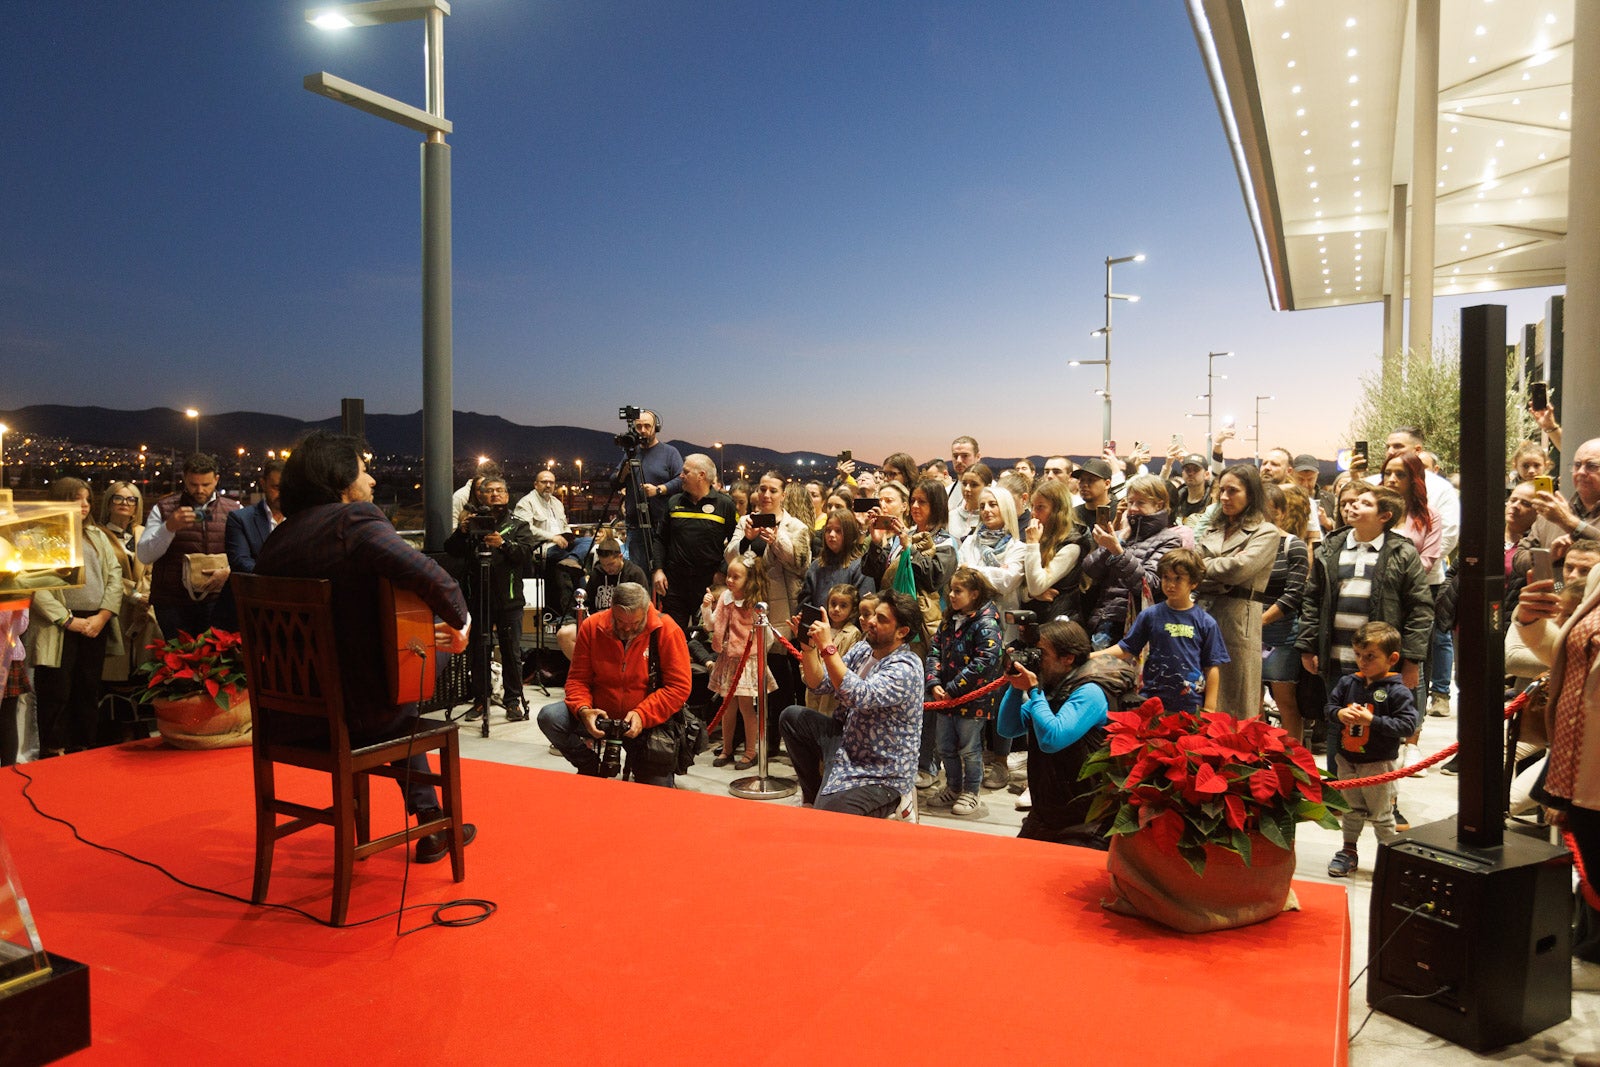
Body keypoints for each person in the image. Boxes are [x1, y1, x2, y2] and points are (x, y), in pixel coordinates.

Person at [254, 430, 474, 864]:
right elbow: (429, 574)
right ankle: (430, 818)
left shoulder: (276, 541)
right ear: (340, 479)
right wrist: (461, 622)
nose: (372, 480)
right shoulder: (352, 520)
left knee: (407, 665)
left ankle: (430, 812)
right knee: (428, 649)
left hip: (290, 719)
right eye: (365, 470)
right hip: (361, 715)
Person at [780, 588, 925, 817]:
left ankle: (897, 803)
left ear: (902, 632)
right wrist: (808, 649)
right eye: (874, 614)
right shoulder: (864, 648)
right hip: (847, 740)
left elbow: (858, 696)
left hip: (881, 768)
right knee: (792, 717)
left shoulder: (905, 667)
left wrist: (827, 648)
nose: (871, 622)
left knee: (830, 817)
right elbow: (819, 684)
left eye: (881, 619)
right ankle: (814, 794)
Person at [996, 618, 1135, 847]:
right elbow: (1008, 728)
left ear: (1068, 658)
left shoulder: (1090, 690)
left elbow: (1053, 739)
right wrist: (1014, 686)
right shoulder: (1053, 686)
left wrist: (1033, 690)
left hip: (1086, 822)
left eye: (1041, 654)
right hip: (1047, 815)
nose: (1036, 661)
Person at [537, 581, 692, 788]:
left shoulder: (667, 630)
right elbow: (577, 680)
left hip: (647, 721)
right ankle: (589, 766)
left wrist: (642, 715)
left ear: (647, 610)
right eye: (620, 622)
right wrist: (583, 710)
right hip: (601, 715)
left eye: (635, 623)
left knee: (656, 795)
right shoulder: (593, 626)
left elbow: (678, 687)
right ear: (611, 609)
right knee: (550, 717)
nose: (627, 628)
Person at [1297, 485, 1433, 718]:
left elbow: (1421, 609)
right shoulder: (1331, 547)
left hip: (1380, 664)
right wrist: (1308, 646)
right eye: (1354, 501)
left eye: (1365, 503)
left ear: (1384, 517)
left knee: (1377, 727)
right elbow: (1311, 600)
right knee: (1337, 725)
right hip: (1336, 658)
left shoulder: (1401, 552)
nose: (1353, 505)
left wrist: (1412, 660)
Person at [28, 478, 123, 756]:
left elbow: (114, 577)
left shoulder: (97, 535)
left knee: (87, 687)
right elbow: (34, 584)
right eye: (76, 499)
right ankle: (53, 749)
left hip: (95, 622)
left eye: (87, 500)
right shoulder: (38, 536)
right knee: (56, 691)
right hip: (58, 626)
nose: (84, 505)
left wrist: (103, 616)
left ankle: (83, 747)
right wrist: (67, 620)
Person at [1324, 622, 1418, 877]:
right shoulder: (1348, 683)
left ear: (1392, 659)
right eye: (1357, 655)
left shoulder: (1397, 691)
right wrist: (1340, 712)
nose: (1362, 662)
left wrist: (1372, 721)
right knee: (1350, 810)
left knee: (1381, 815)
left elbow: (1408, 725)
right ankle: (1348, 851)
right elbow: (1330, 707)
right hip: (1347, 760)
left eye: (1370, 657)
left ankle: (1390, 857)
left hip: (1379, 764)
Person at [444, 475, 536, 722]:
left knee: (511, 652)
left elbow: (525, 555)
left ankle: (513, 701)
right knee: (479, 651)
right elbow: (451, 550)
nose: (495, 494)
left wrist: (503, 544)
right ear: (480, 495)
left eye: (500, 490)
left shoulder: (518, 525)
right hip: (478, 600)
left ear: (507, 496)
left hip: (509, 599)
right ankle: (480, 700)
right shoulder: (472, 524)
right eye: (489, 491)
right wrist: (463, 533)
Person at [728, 470, 811, 741]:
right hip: (747, 611)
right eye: (762, 489)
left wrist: (777, 540)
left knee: (780, 681)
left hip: (781, 610)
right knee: (747, 681)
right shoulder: (745, 521)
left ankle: (776, 740)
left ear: (783, 495)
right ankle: (747, 739)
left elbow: (801, 563)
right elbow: (729, 556)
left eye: (773, 490)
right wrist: (746, 540)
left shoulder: (796, 526)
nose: (766, 495)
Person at [1093, 548, 1227, 713]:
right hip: (1152, 701)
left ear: (1193, 583)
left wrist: (1210, 708)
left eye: (1178, 579)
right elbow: (1126, 648)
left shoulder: (1206, 622)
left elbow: (1212, 666)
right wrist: (1090, 656)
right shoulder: (1150, 615)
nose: (1170, 584)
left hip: (1191, 706)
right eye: (1166, 577)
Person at [1194, 465, 1280, 719]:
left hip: (1238, 621)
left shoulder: (1266, 532)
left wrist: (1207, 570)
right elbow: (1191, 568)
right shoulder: (1212, 529)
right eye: (1222, 490)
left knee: (1235, 699)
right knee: (1198, 693)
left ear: (1251, 494)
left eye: (1233, 491)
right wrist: (1218, 574)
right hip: (1202, 614)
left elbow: (1238, 570)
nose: (1224, 497)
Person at [923, 567, 1003, 817]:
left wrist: (953, 688)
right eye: (951, 590)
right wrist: (934, 682)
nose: (952, 595)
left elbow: (986, 659)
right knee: (945, 745)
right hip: (945, 697)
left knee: (969, 747)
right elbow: (934, 650)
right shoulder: (949, 619)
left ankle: (971, 791)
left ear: (975, 593)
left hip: (972, 698)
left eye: (959, 591)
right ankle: (953, 786)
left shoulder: (986, 622)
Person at [136, 452, 241, 638]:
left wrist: (228, 572)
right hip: (172, 602)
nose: (199, 490)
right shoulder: (163, 508)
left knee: (215, 660)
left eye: (206, 484)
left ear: (217, 480)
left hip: (218, 600)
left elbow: (245, 554)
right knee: (178, 660)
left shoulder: (235, 510)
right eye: (193, 484)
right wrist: (168, 528)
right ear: (184, 479)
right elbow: (145, 555)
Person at [1080, 473, 1189, 650]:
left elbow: (1150, 585)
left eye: (1140, 503)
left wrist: (1118, 551)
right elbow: (1090, 569)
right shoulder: (1122, 534)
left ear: (1158, 505)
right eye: (1130, 502)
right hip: (1102, 618)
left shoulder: (1170, 540)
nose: (1133, 508)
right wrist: (1119, 538)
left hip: (1136, 626)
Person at [651, 453, 737, 635]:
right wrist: (658, 569)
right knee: (672, 636)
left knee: (705, 638)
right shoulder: (674, 502)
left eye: (685, 472)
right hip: (675, 584)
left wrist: (722, 571)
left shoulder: (725, 504)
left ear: (702, 475)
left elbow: (735, 543)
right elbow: (660, 539)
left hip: (708, 585)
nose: (681, 476)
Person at [703, 552, 775, 770]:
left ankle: (751, 751)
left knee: (746, 707)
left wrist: (755, 654)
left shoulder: (754, 605)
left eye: (736, 577)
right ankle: (727, 749)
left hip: (746, 661)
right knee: (727, 707)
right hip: (728, 659)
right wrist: (706, 607)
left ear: (749, 580)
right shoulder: (725, 599)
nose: (730, 580)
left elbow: (768, 636)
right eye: (729, 575)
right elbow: (712, 625)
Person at [1259, 483, 1312, 742]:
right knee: (1250, 702)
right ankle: (1255, 760)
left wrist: (1260, 621)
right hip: (1247, 633)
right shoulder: (1245, 543)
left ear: (1280, 512)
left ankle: (1292, 763)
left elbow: (1294, 594)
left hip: (1282, 633)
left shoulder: (1294, 545)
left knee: (1285, 702)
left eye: (1266, 511)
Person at [97, 481, 161, 689]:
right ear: (108, 503)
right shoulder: (98, 535)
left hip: (145, 608)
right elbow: (104, 573)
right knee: (115, 670)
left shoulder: (145, 533)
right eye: (118, 498)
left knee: (145, 669)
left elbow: (153, 569)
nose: (125, 503)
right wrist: (133, 595)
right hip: (116, 606)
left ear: (137, 506)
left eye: (131, 499)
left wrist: (147, 595)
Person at [556, 535, 647, 660]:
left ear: (620, 557)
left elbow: (643, 607)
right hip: (598, 623)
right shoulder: (597, 573)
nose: (607, 569)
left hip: (624, 625)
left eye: (611, 564)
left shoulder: (634, 573)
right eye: (604, 565)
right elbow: (587, 603)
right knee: (564, 634)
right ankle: (587, 672)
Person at [618, 408, 683, 572]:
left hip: (661, 523)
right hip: (635, 525)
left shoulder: (670, 453)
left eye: (647, 426)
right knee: (640, 574)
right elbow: (614, 482)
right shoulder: (630, 454)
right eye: (639, 427)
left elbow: (681, 480)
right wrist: (623, 471)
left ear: (656, 427)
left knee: (664, 572)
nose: (643, 431)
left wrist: (660, 490)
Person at [513, 467, 581, 622]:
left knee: (588, 542)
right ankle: (569, 614)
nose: (548, 485)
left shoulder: (557, 503)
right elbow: (526, 529)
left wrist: (567, 535)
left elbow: (564, 525)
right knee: (572, 567)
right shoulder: (526, 503)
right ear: (536, 484)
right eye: (544, 482)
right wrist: (553, 537)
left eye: (551, 482)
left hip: (562, 544)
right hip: (543, 547)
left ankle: (573, 559)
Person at [1020, 478, 1083, 623]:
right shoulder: (1039, 537)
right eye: (1033, 507)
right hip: (1035, 618)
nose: (1034, 513)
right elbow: (1022, 587)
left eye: (1040, 507)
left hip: (1058, 622)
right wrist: (1030, 594)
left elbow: (1036, 586)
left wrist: (1032, 544)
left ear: (1057, 511)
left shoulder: (1072, 545)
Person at [804, 584, 863, 718]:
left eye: (843, 606)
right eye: (833, 603)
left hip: (834, 694)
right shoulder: (819, 628)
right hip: (814, 687)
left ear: (853, 610)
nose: (836, 609)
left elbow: (848, 666)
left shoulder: (853, 633)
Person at [800, 508, 873, 610]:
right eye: (828, 530)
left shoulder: (861, 568)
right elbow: (805, 603)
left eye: (838, 531)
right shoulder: (816, 566)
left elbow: (863, 608)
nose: (831, 535)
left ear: (849, 534)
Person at [225, 459, 285, 577]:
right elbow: (240, 561)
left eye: (286, 487)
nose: (282, 493)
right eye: (276, 487)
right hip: (255, 591)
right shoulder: (241, 519)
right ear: (263, 484)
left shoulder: (301, 518)